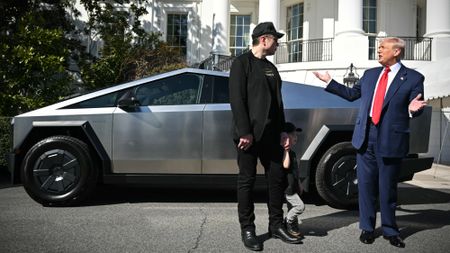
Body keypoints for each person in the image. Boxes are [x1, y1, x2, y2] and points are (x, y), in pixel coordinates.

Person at [313, 37, 427, 248]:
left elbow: (415, 104)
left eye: (383, 47)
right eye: (379, 47)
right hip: (365, 137)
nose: (379, 50)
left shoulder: (413, 78)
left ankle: (390, 230)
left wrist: (413, 109)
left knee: (387, 189)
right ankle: (367, 228)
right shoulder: (369, 75)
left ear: (396, 52)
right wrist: (329, 81)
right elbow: (350, 94)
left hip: (391, 140)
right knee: (365, 187)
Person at [229, 22, 302, 251]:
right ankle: (248, 229)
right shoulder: (241, 64)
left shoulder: (271, 69)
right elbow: (237, 100)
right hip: (248, 138)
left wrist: (285, 131)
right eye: (275, 39)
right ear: (264, 39)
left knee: (277, 180)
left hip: (272, 137)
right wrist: (245, 132)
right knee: (247, 182)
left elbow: (278, 105)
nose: (278, 43)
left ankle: (276, 225)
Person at [281, 122, 305, 238]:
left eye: (296, 135)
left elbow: (296, 170)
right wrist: (286, 150)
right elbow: (286, 166)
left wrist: (299, 183)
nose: (296, 137)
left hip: (294, 186)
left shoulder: (294, 153)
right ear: (286, 136)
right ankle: (288, 221)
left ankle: (292, 225)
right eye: (293, 135)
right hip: (288, 188)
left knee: (292, 207)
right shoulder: (285, 152)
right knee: (300, 207)